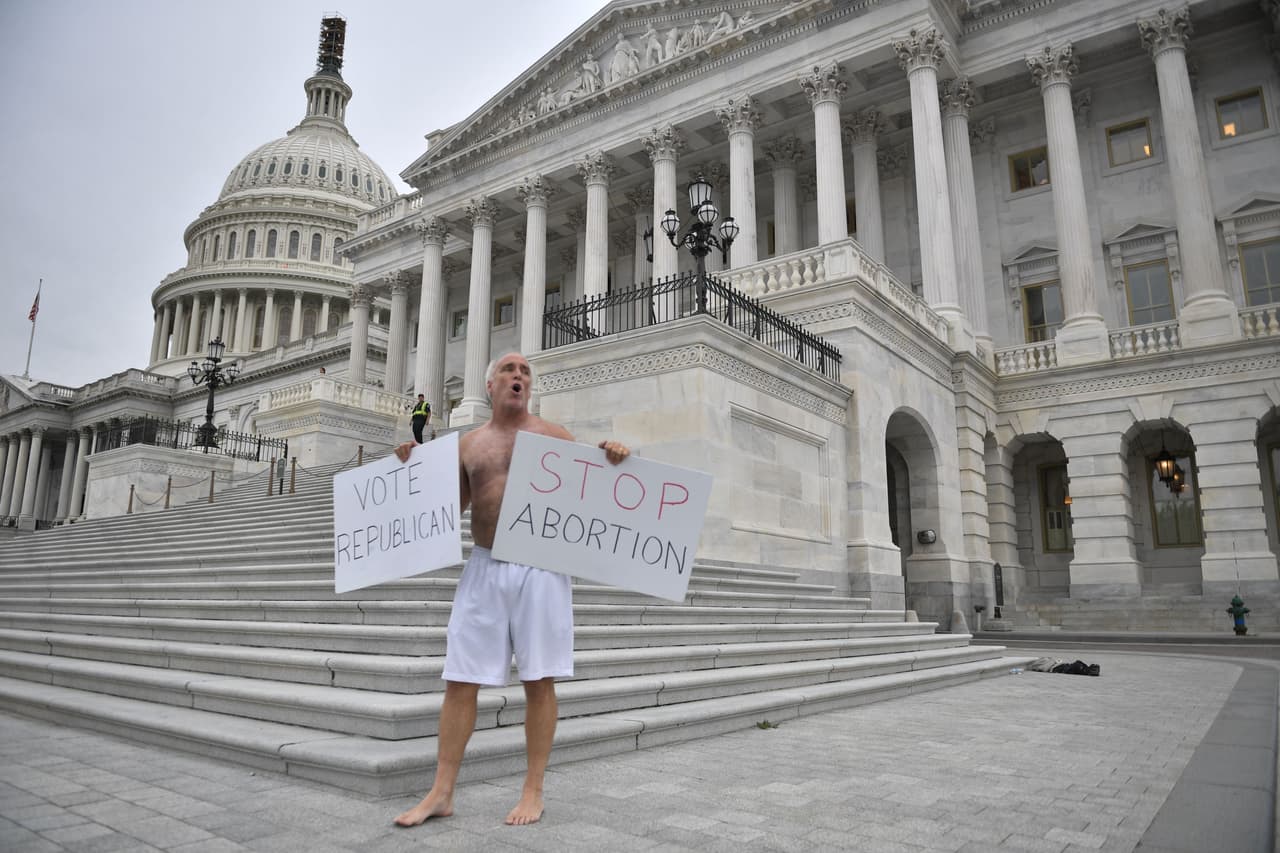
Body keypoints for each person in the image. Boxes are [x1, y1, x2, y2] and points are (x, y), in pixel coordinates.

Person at [392, 352, 630, 828]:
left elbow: (588, 501)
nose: (518, 376)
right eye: (509, 370)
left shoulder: (556, 438)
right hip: (484, 568)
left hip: (540, 568)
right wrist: (411, 472)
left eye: (525, 372)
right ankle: (441, 791)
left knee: (538, 680)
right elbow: (446, 511)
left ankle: (533, 789)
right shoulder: (468, 444)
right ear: (490, 384)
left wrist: (613, 460)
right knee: (460, 680)